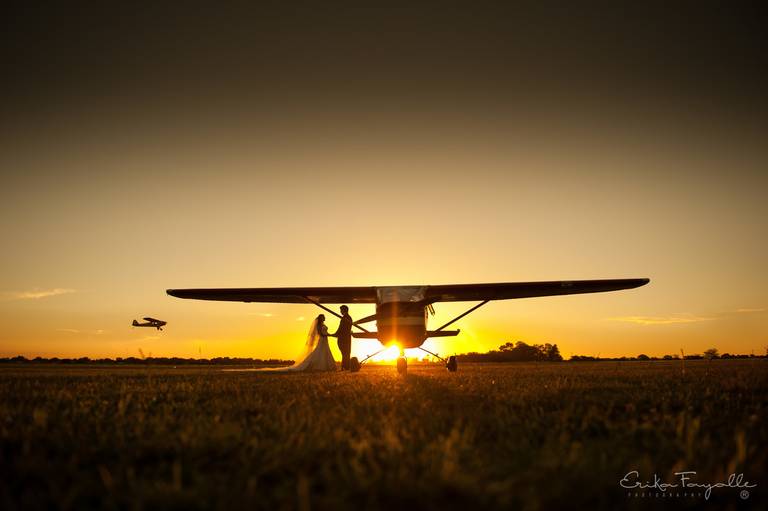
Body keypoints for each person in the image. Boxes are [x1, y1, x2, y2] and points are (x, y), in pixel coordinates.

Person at [331, 305, 353, 370]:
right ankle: (345, 366)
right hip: (346, 337)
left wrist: (336, 334)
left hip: (344, 338)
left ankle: (345, 367)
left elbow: (341, 328)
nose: (340, 312)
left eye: (341, 310)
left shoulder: (346, 318)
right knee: (345, 352)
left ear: (344, 310)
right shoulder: (347, 317)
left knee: (344, 352)